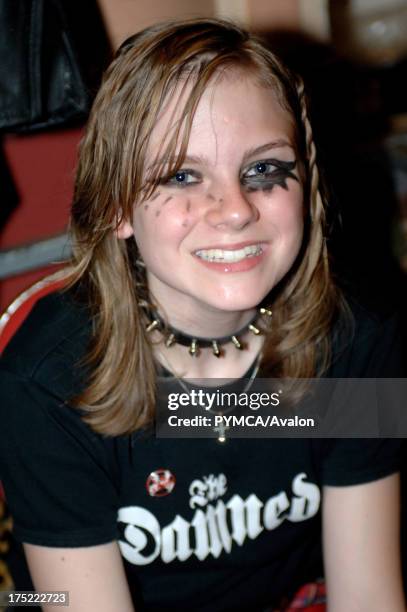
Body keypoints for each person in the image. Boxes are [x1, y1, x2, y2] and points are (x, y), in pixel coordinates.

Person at [0, 17, 405, 612]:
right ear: (117, 207)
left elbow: (368, 594)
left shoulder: (356, 338)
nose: (235, 210)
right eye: (182, 176)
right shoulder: (47, 383)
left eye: (264, 170)